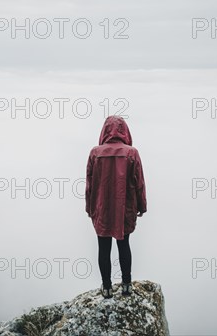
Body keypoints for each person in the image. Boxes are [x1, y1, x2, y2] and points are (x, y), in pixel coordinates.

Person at [85, 115, 147, 298]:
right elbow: (140, 182)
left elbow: (89, 183)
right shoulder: (132, 153)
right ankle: (127, 285)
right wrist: (142, 205)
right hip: (125, 207)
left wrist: (89, 207)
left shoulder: (95, 153)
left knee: (103, 248)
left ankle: (106, 287)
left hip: (101, 206)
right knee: (124, 244)